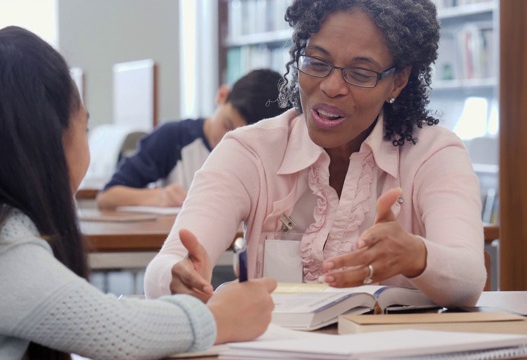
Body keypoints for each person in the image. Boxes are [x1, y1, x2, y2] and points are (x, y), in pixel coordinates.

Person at [0, 26, 277, 360]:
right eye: (84, 126)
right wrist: (219, 318)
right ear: (42, 139)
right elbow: (114, 331)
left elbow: (85, 315)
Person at [144, 0, 486, 307]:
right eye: (317, 62)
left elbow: (469, 279)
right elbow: (167, 265)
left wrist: (416, 256)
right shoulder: (250, 151)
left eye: (360, 73)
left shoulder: (434, 154)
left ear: (397, 81)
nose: (331, 86)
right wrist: (176, 278)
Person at [96, 68, 285, 209]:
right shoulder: (173, 137)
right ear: (222, 95)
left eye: (244, 140)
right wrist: (159, 197)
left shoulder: (263, 157)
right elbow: (107, 197)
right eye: (227, 126)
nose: (229, 142)